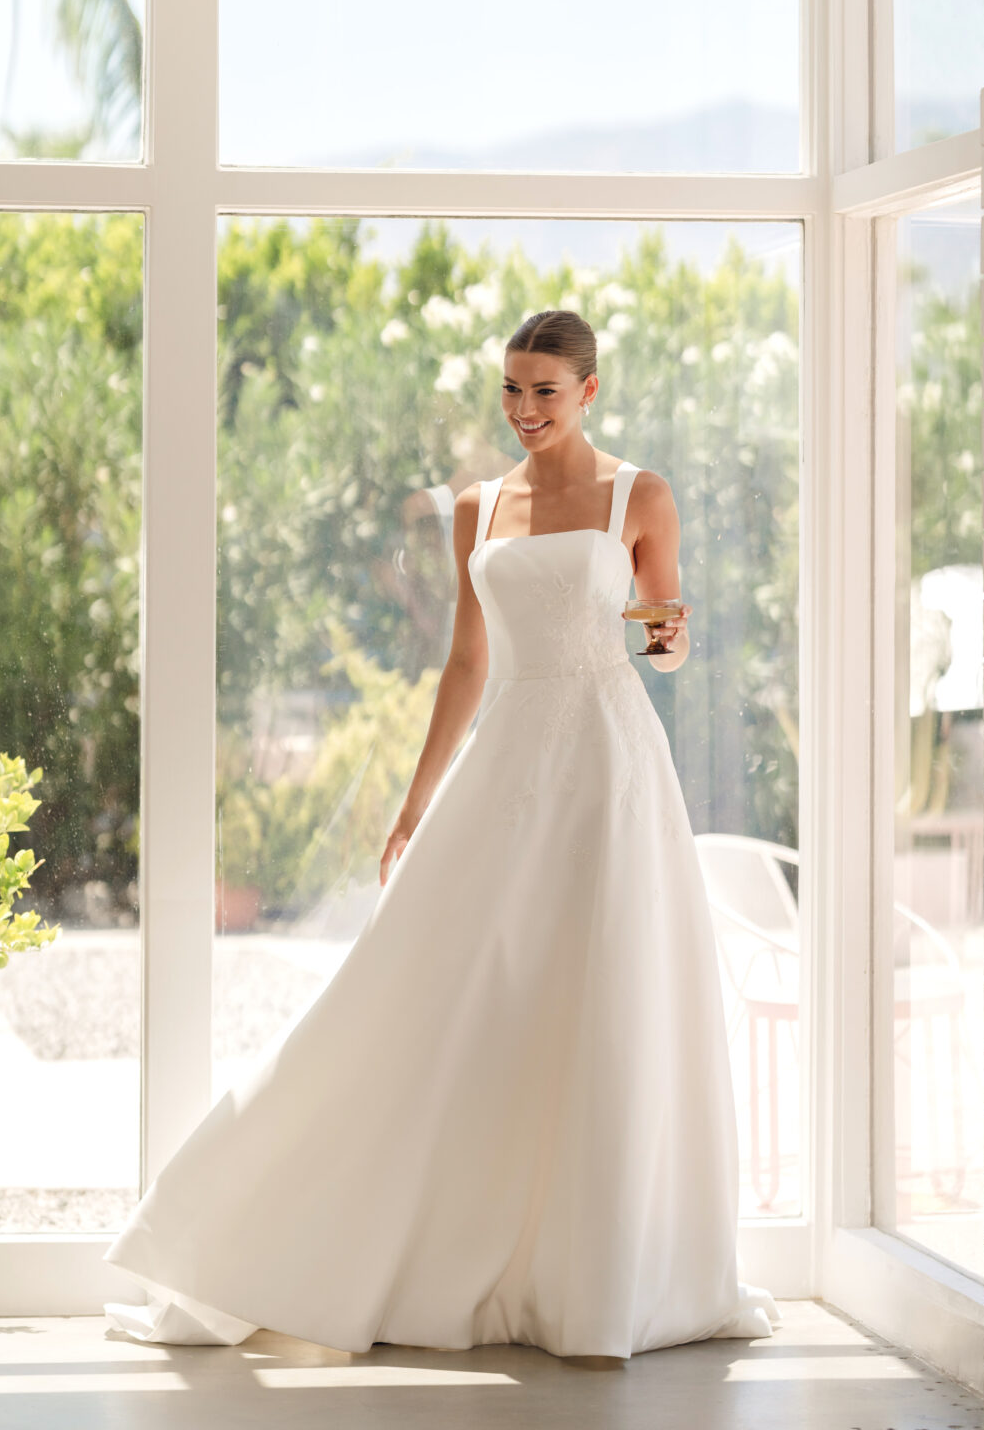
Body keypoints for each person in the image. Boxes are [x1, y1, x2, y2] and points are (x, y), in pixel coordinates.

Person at [103, 307, 781, 1359]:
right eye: (509, 389)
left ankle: (586, 1274)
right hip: (506, 761)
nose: (521, 411)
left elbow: (662, 640)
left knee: (601, 1001)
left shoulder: (637, 494)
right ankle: (257, 1232)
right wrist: (414, 805)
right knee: (411, 993)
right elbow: (467, 662)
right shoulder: (479, 507)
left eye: (543, 392)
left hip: (609, 767)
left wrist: (672, 636)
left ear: (589, 392)